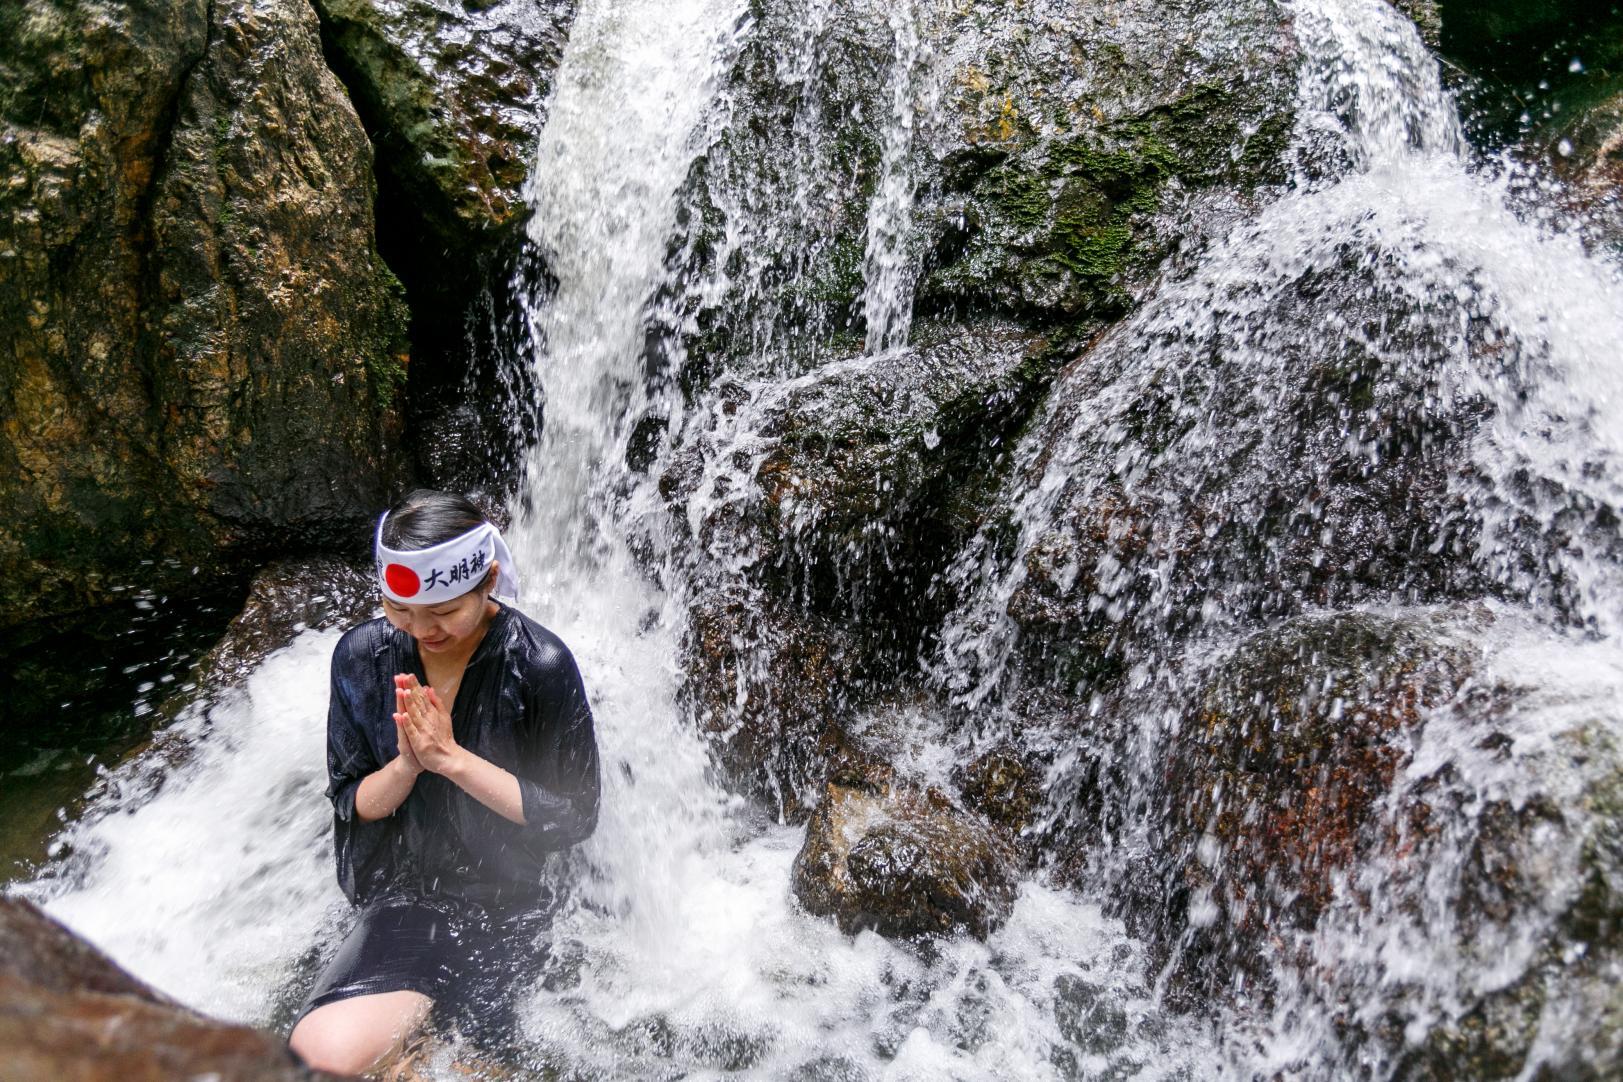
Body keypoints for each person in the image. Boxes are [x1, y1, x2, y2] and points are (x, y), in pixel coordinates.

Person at [288, 489, 600, 1076]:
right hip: (402, 895)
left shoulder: (540, 665)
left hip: (507, 902)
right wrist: (409, 764)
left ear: (489, 579)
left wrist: (453, 759)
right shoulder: (361, 654)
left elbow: (574, 816)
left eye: (444, 612)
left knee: (473, 1069)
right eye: (400, 611)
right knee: (316, 1060)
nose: (422, 629)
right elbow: (353, 801)